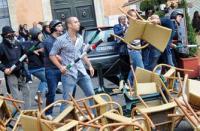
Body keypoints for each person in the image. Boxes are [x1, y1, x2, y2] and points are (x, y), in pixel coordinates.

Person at [49, 16, 95, 112]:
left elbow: (82, 53)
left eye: (78, 21)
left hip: (81, 71)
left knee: (92, 95)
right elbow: (52, 55)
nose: (78, 23)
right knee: (67, 100)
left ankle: (97, 117)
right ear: (69, 25)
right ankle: (62, 122)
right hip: (69, 74)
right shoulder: (60, 40)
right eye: (75, 22)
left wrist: (89, 65)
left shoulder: (80, 38)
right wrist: (60, 67)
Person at [0, 26, 30, 109]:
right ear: (4, 35)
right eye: (9, 33)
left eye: (12, 33)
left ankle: (27, 112)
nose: (12, 35)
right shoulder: (1, 47)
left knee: (27, 92)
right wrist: (4, 69)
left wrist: (26, 59)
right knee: (15, 95)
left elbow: (23, 54)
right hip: (11, 74)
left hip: (21, 72)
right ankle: (18, 113)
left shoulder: (18, 43)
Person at [43, 19, 64, 118]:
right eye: (59, 25)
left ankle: (67, 110)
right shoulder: (48, 41)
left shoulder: (61, 39)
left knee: (71, 88)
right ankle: (48, 113)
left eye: (61, 25)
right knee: (51, 92)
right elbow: (55, 56)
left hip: (62, 68)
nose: (61, 27)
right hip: (51, 70)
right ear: (53, 28)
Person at [22, 27, 48, 104]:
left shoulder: (27, 43)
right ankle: (38, 95)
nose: (42, 35)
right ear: (36, 35)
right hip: (38, 67)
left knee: (46, 81)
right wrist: (39, 50)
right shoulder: (39, 43)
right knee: (45, 80)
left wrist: (33, 51)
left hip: (32, 67)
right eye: (40, 34)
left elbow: (25, 51)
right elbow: (44, 53)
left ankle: (47, 96)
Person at [126, 9, 144, 86]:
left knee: (134, 68)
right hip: (134, 51)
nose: (136, 17)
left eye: (136, 16)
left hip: (138, 50)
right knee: (141, 68)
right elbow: (129, 41)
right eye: (134, 16)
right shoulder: (129, 28)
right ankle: (137, 86)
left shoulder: (136, 26)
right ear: (129, 18)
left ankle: (129, 82)